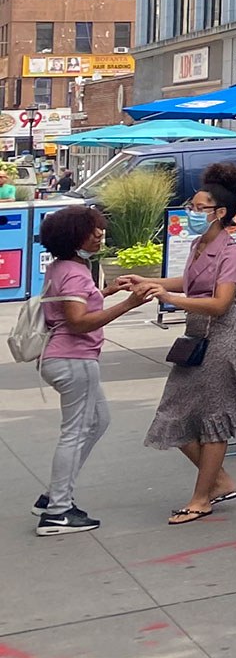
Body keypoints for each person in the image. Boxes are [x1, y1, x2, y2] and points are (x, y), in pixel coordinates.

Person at [135, 163, 236, 526]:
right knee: (172, 412)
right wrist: (150, 282)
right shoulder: (197, 244)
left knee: (213, 418)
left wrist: (170, 298)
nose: (193, 212)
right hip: (196, 335)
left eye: (201, 208)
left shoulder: (231, 252)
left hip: (223, 338)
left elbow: (220, 302)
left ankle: (202, 498)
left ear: (220, 212)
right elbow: (189, 282)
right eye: (192, 206)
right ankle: (219, 481)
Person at [32, 205, 156, 536]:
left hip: (63, 357)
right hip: (73, 359)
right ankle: (57, 511)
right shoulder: (74, 272)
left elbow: (74, 304)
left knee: (98, 420)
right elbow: (77, 321)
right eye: (93, 231)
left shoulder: (63, 266)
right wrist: (128, 304)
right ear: (74, 236)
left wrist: (107, 292)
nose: (100, 235)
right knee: (75, 432)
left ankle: (53, 496)